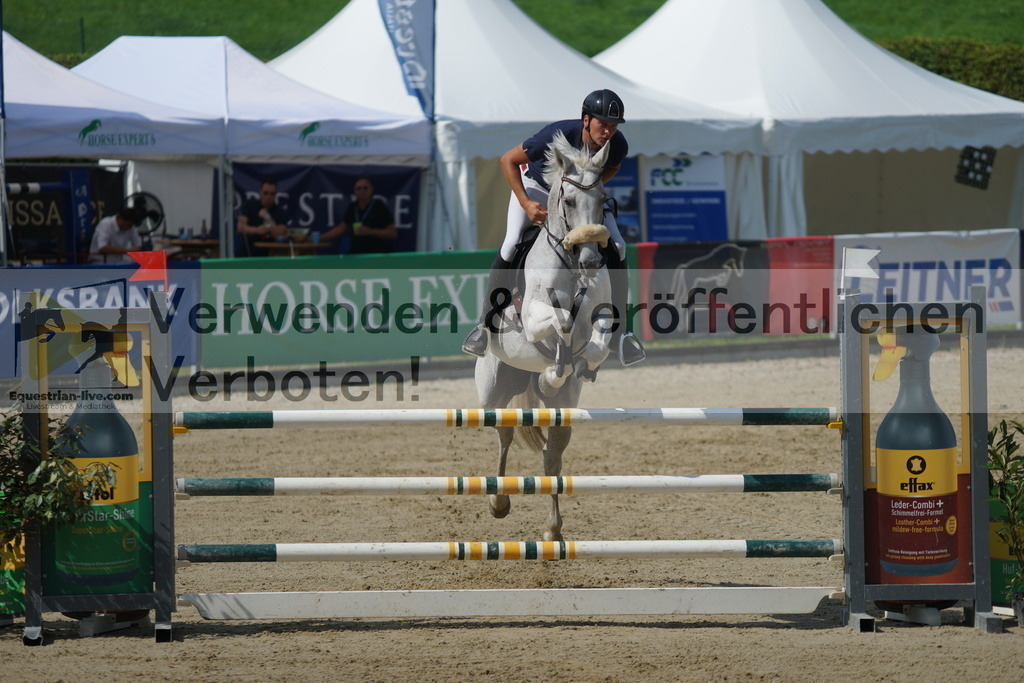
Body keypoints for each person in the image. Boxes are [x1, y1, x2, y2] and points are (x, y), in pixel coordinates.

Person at [461, 89, 646, 366]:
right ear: (586, 120)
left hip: (580, 196)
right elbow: (507, 160)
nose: (608, 131)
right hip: (537, 188)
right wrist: (526, 203)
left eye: (613, 126)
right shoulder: (556, 135)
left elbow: (614, 168)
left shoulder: (617, 144)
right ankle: (485, 326)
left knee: (618, 245)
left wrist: (592, 189)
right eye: (603, 124)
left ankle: (621, 332)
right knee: (511, 243)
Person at [321, 177, 398, 254]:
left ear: (372, 190)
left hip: (377, 253)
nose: (362, 191)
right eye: (359, 188)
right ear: (354, 191)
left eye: (365, 188)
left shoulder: (379, 206)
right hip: (357, 253)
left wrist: (370, 231)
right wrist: (320, 238)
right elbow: (342, 228)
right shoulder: (353, 206)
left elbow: (392, 233)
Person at [237, 178, 288, 256]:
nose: (268, 197)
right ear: (260, 192)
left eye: (272, 194)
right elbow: (240, 228)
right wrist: (257, 230)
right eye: (266, 193)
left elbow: (279, 235)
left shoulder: (280, 212)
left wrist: (267, 217)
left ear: (276, 194)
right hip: (248, 253)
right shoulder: (249, 205)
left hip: (270, 256)